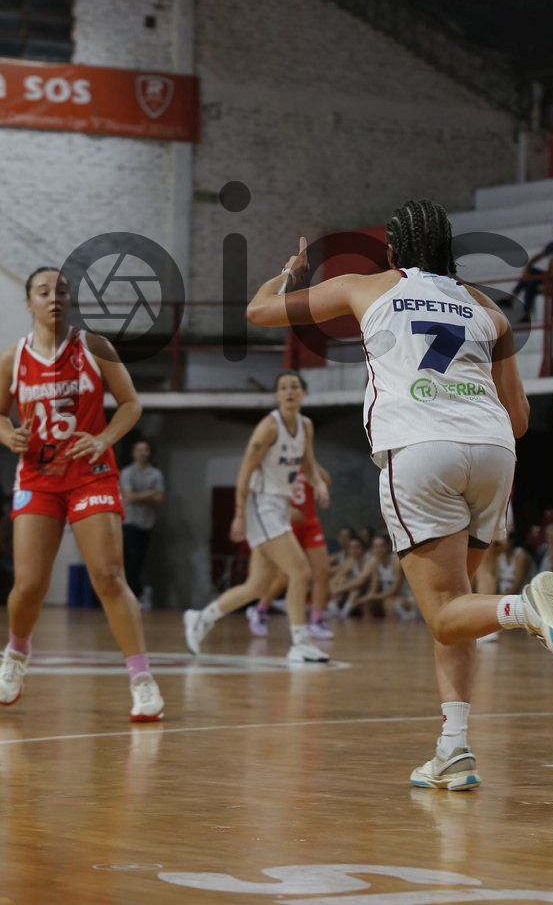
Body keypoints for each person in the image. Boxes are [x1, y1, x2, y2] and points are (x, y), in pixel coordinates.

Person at [246, 201, 553, 791]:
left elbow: (258, 311)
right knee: (457, 610)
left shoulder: (364, 286)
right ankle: (453, 749)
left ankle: (524, 609)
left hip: (419, 447)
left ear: (393, 250)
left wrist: (291, 274)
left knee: (444, 611)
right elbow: (518, 417)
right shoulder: (487, 307)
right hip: (493, 451)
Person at [0, 267, 163, 721]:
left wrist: (103, 439)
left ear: (70, 299)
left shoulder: (94, 347)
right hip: (38, 476)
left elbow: (130, 404)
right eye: (43, 291)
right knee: (29, 585)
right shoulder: (14, 357)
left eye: (62, 290)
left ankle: (142, 679)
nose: (54, 297)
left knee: (108, 575)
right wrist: (8, 434)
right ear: (29, 302)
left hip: (90, 473)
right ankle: (15, 654)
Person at [183, 371, 331, 663]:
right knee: (300, 572)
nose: (289, 392)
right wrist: (239, 514)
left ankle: (201, 618)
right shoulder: (269, 427)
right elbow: (245, 470)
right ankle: (300, 643)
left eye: (294, 387)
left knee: (258, 585)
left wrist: (319, 484)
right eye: (283, 388)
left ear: (303, 394)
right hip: (261, 505)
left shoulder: (306, 426)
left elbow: (308, 465)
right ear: (277, 395)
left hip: (279, 506)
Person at [245, 467, 333, 640]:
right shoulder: (280, 463)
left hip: (310, 522)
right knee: (284, 577)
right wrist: (286, 510)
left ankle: (316, 621)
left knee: (323, 572)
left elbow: (326, 481)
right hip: (286, 522)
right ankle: (259, 609)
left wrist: (310, 462)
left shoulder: (307, 463)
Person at [119, 439, 165, 603]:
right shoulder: (127, 473)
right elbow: (130, 497)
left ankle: (138, 593)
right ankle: (133, 594)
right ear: (133, 453)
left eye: (145, 450)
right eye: (139, 450)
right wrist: (150, 493)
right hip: (129, 521)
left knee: (140, 560)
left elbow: (160, 498)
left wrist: (141, 496)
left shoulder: (156, 474)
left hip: (147, 523)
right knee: (131, 557)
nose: (142, 453)